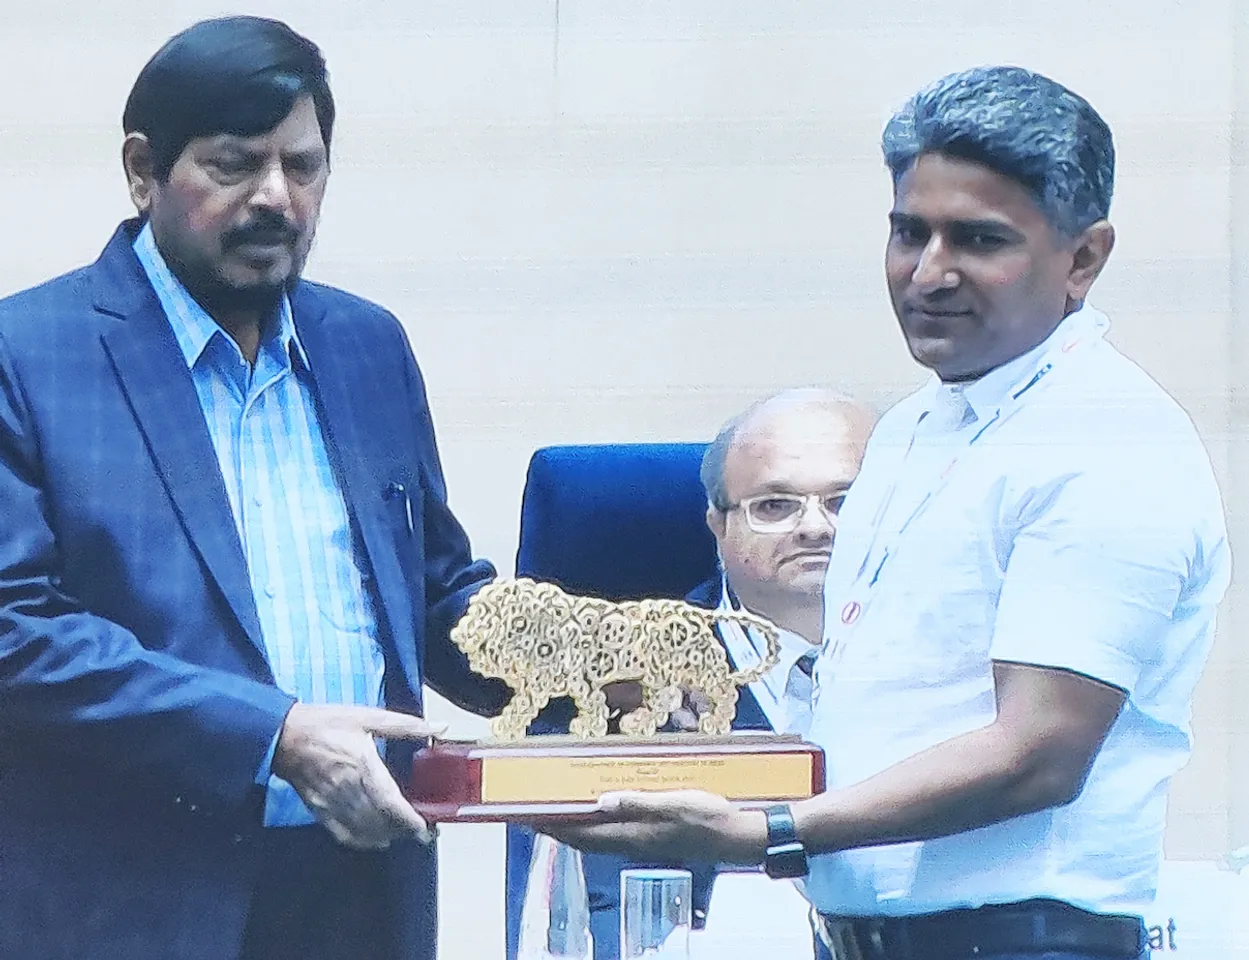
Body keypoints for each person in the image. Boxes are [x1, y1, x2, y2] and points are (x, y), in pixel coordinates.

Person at [528, 65, 1231, 960]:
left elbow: (1038, 753)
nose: (928, 273)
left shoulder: (1107, 442)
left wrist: (769, 830)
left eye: (977, 240)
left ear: (1083, 259)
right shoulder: (908, 430)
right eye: (909, 232)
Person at [0, 16, 513, 960]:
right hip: (134, 903)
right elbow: (15, 633)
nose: (276, 198)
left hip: (363, 889)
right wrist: (273, 735)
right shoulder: (28, 355)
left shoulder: (366, 345)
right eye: (234, 165)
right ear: (143, 170)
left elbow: (435, 594)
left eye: (303, 167)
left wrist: (604, 670)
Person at [520, 389, 874, 960]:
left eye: (845, 501)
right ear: (717, 523)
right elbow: (601, 921)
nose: (816, 528)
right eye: (775, 505)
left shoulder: (964, 674)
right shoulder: (619, 693)